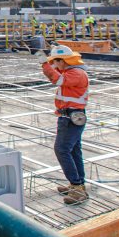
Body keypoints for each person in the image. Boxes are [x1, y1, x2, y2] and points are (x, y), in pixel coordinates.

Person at [39, 45, 89, 205]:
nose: (55, 64)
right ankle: (77, 184)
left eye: (57, 61)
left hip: (70, 118)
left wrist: (44, 62)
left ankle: (77, 187)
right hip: (70, 117)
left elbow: (56, 78)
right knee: (73, 150)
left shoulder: (76, 74)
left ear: (64, 61)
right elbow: (54, 74)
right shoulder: (71, 72)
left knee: (62, 149)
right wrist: (48, 60)